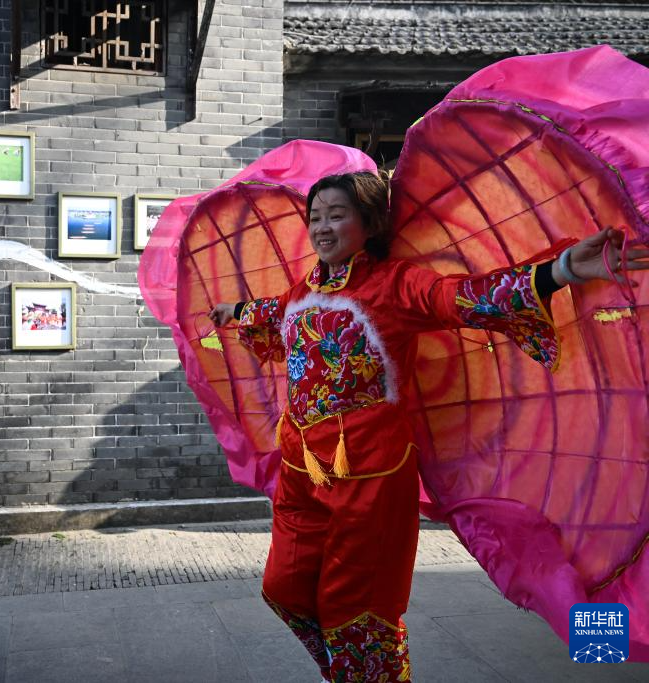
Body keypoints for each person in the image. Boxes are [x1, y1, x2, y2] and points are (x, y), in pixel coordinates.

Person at [207, 172, 648, 681]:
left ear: (369, 223)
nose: (322, 227)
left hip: (370, 477)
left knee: (356, 609)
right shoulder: (303, 289)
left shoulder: (396, 284)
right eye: (316, 217)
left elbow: (463, 297)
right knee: (285, 589)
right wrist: (234, 310)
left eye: (336, 215)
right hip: (301, 470)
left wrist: (562, 270)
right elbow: (273, 311)